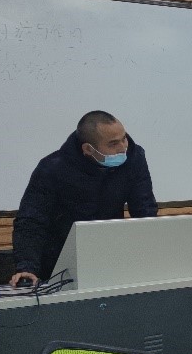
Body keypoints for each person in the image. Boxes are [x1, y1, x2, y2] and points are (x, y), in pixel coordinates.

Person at [11, 110, 157, 287]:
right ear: (88, 149)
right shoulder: (52, 168)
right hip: (59, 264)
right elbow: (31, 220)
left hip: (111, 257)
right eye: (113, 143)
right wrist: (27, 267)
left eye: (124, 138)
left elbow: (145, 209)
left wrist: (151, 257)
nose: (122, 147)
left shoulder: (134, 158)